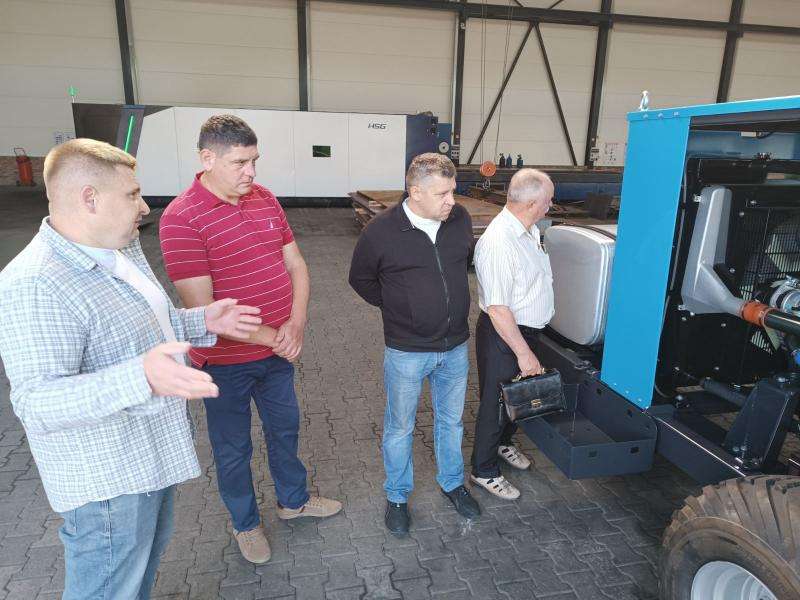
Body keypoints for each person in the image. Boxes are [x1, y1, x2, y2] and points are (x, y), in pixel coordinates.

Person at [0, 138, 261, 599]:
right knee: (108, 589)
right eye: (133, 194)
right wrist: (140, 376)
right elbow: (36, 402)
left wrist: (203, 320)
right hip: (107, 487)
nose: (144, 207)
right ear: (89, 198)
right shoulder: (36, 283)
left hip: (147, 461)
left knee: (136, 579)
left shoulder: (119, 249)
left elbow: (143, 327)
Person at [159, 115, 341, 565]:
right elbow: (206, 310)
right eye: (240, 163)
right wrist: (276, 336)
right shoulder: (181, 218)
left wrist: (296, 323)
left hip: (276, 354)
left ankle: (293, 502)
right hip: (225, 365)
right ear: (207, 158)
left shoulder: (265, 198)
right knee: (233, 448)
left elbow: (296, 264)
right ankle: (245, 523)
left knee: (285, 429)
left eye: (254, 160)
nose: (251, 172)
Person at [349, 153, 480, 536]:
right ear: (415, 192)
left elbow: (463, 263)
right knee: (400, 427)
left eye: (452, 191)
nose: (451, 201)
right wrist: (399, 308)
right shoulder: (380, 231)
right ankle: (397, 496)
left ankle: (452, 483)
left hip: (455, 347)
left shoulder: (459, 220)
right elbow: (361, 280)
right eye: (442, 194)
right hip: (406, 351)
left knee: (451, 422)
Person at [470, 168, 555, 500]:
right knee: (496, 403)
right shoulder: (498, 242)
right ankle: (484, 470)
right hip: (504, 335)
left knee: (517, 398)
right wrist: (523, 353)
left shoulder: (528, 229)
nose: (551, 205)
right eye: (548, 200)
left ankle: (503, 444)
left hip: (527, 332)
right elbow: (498, 309)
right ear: (532, 203)